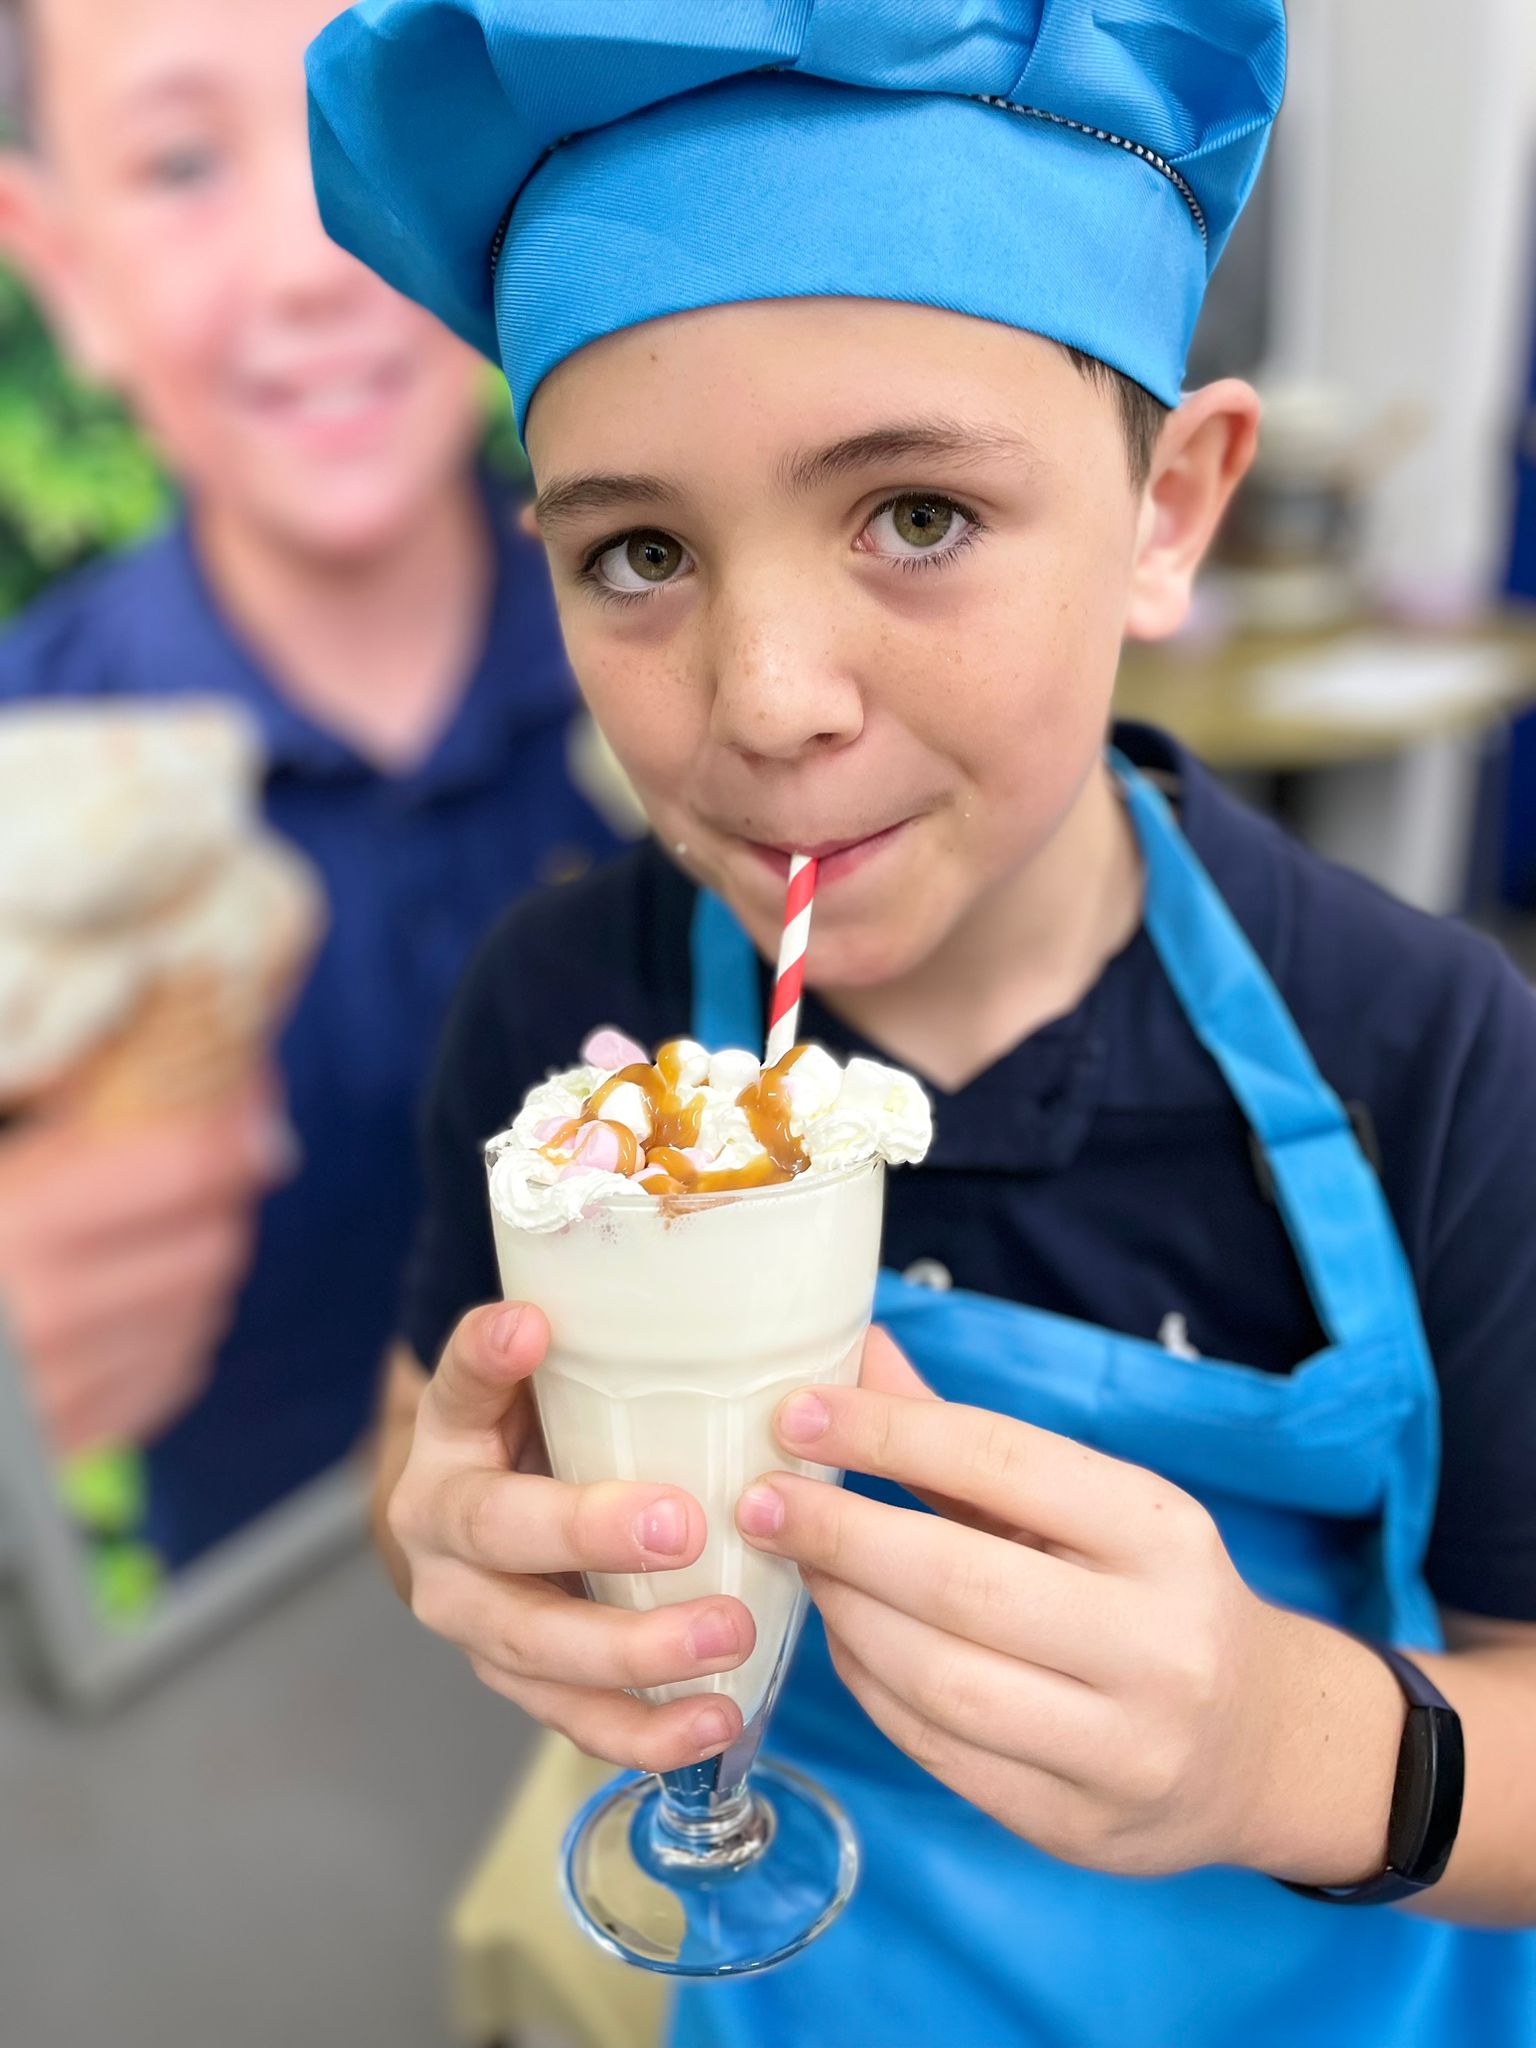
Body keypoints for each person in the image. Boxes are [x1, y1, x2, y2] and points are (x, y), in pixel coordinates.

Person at [309, 4, 1536, 2043]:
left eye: (919, 516)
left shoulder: (1432, 1056)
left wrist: (1285, 1748)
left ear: (1169, 509)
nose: (768, 691)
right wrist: (454, 1537)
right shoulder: (566, 1022)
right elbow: (407, 1436)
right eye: (637, 552)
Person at [0, 0, 625, 1567]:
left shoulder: (704, 683)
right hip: (270, 1726)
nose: (309, 258)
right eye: (185, 159)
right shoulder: (30, 767)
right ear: (59, 262)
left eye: (378, 122)